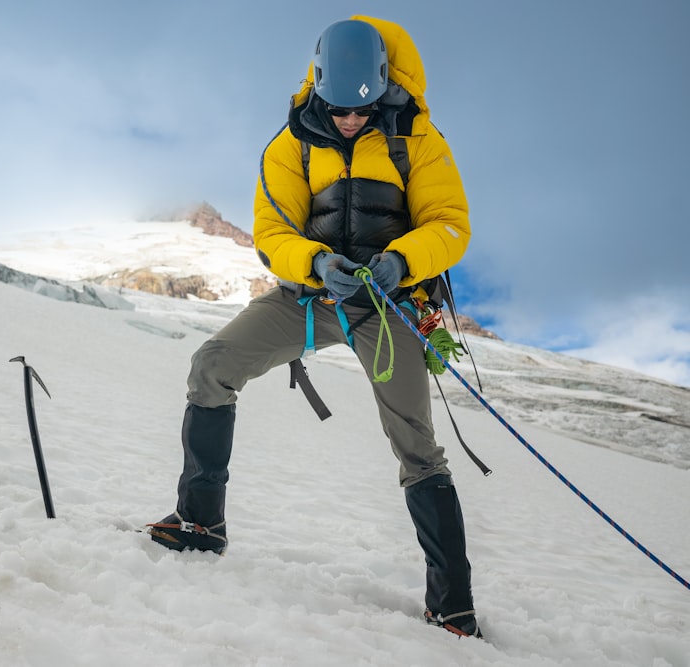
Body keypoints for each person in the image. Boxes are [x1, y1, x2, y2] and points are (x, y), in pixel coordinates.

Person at [148, 15, 481, 638]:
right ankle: (200, 522)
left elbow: (450, 223)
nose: (350, 120)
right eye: (338, 109)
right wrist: (317, 263)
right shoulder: (290, 144)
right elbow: (274, 233)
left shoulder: (419, 139)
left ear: (382, 85)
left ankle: (452, 604)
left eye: (361, 109)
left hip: (390, 305)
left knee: (416, 443)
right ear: (319, 87)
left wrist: (400, 261)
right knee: (213, 366)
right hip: (311, 298)